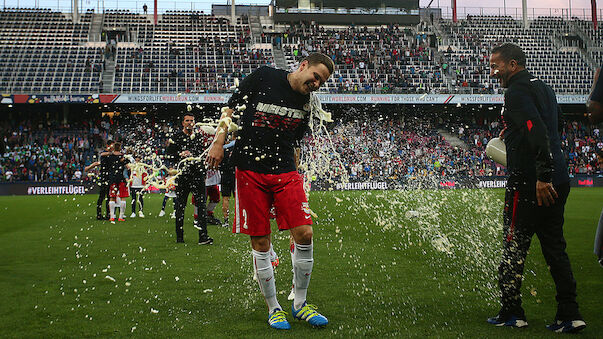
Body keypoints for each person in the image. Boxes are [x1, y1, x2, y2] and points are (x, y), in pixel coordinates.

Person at [206, 53, 334, 330]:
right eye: (316, 77)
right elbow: (230, 110)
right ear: (303, 66)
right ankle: (274, 308)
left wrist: (297, 180)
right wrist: (218, 142)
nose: (316, 85)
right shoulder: (265, 76)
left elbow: (296, 143)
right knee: (261, 241)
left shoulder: (308, 103)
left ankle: (300, 304)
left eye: (321, 83)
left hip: (286, 172)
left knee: (305, 233)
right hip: (250, 170)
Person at [487, 43, 585, 333]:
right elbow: (558, 125)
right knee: (556, 248)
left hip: (531, 182)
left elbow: (537, 130)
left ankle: (512, 311)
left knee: (514, 247)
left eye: (497, 66)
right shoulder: (545, 87)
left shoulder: (515, 91)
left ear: (513, 64)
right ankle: (570, 314)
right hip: (559, 178)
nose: (494, 72)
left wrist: (541, 175)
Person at [167, 113, 212, 244]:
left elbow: (203, 155)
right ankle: (179, 237)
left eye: (192, 120)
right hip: (182, 176)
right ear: (183, 123)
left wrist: (203, 173)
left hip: (197, 175)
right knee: (180, 206)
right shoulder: (176, 137)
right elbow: (169, 155)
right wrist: (180, 154)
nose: (189, 123)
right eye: (187, 120)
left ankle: (203, 236)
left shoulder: (198, 137)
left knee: (201, 206)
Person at [85, 140, 114, 220]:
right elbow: (102, 157)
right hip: (104, 177)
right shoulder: (104, 154)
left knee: (108, 196)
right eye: (112, 146)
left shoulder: (108, 154)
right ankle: (99, 214)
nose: (113, 148)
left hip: (109, 177)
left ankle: (108, 214)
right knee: (102, 196)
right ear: (108, 146)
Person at [106, 142, 129, 223]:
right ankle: (121, 216)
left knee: (112, 196)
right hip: (121, 177)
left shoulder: (109, 156)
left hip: (112, 178)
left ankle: (112, 216)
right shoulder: (122, 156)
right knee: (123, 196)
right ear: (120, 148)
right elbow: (128, 167)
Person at [220, 133, 236, 228]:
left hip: (225, 175)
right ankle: (238, 221)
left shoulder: (224, 148)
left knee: (225, 198)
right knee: (237, 199)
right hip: (235, 175)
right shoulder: (239, 147)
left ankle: (226, 221)